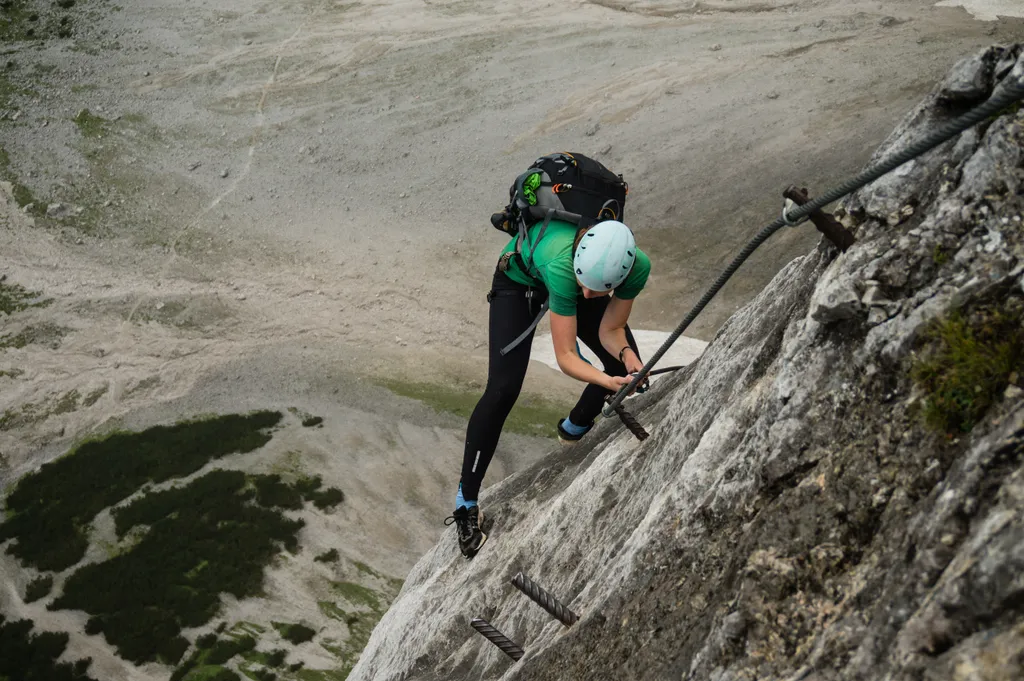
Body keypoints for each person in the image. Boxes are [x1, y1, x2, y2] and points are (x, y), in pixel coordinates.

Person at [445, 218, 651, 558]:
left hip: (574, 271)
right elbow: (566, 356)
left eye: (595, 290)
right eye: (585, 287)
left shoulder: (636, 266)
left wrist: (628, 356)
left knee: (622, 364)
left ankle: (574, 428)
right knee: (502, 388)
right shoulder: (565, 268)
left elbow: (611, 330)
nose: (587, 297)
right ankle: (466, 503)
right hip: (520, 279)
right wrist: (604, 381)